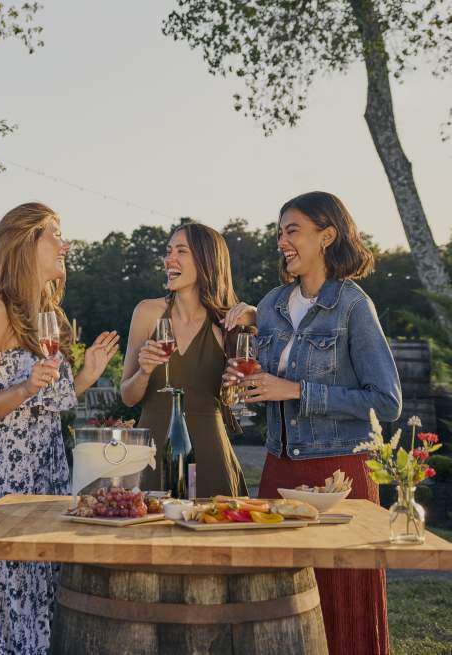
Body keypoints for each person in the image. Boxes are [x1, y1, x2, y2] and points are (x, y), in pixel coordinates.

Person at [224, 191, 401, 655]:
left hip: (337, 476)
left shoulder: (352, 305)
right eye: (279, 231)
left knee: (339, 603)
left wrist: (298, 390)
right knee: (277, 603)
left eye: (293, 230)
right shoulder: (272, 304)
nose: (282, 241)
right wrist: (246, 381)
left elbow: (386, 402)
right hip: (279, 472)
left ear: (327, 235)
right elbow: (263, 378)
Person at [0, 202, 119, 655]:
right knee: (0, 624)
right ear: (26, 242)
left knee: (38, 618)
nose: (64, 243)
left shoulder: (46, 315)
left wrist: (86, 374)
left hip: (45, 479)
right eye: (54, 233)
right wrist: (27, 386)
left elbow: (53, 403)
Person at [121, 222, 255, 498]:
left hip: (211, 454)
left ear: (207, 260)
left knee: (213, 537)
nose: (169, 258)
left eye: (181, 251)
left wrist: (255, 315)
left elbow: (236, 396)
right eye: (169, 251)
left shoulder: (226, 323)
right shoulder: (147, 312)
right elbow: (128, 397)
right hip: (152, 455)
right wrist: (144, 372)